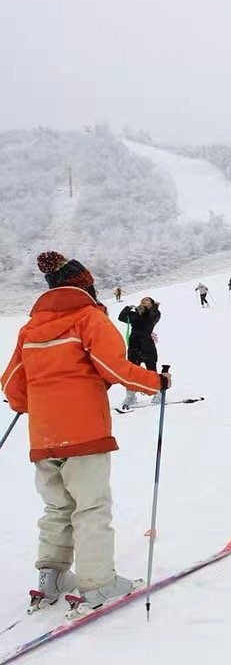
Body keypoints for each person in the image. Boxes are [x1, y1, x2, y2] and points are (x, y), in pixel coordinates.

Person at [0, 251, 171, 611]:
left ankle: (51, 577)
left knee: (57, 507)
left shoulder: (30, 329)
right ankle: (98, 584)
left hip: (44, 438)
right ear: (85, 287)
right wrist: (157, 381)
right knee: (91, 507)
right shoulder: (89, 319)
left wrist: (38, 403)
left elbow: (13, 387)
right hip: (84, 434)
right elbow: (117, 370)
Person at [118, 297, 162, 409]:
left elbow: (149, 321)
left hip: (147, 345)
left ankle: (157, 393)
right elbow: (121, 317)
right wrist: (128, 308)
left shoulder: (155, 313)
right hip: (134, 346)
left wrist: (152, 308)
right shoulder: (135, 314)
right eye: (142, 300)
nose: (143, 301)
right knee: (132, 373)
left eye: (147, 300)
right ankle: (130, 396)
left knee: (151, 370)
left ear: (152, 303)